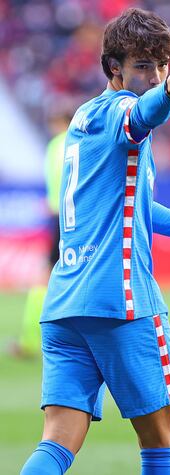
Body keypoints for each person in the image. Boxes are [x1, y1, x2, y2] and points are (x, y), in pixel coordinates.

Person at [20, 8, 170, 475]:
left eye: (160, 65)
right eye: (142, 66)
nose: (154, 75)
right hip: (120, 301)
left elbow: (139, 209)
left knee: (57, 442)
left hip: (65, 305)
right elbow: (141, 116)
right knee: (160, 436)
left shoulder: (81, 120)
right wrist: (169, 92)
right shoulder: (121, 113)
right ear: (114, 68)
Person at [9, 113, 69, 358]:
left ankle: (29, 341)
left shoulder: (56, 145)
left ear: (58, 122)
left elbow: (53, 183)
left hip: (58, 216)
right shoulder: (81, 140)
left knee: (45, 278)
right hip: (76, 217)